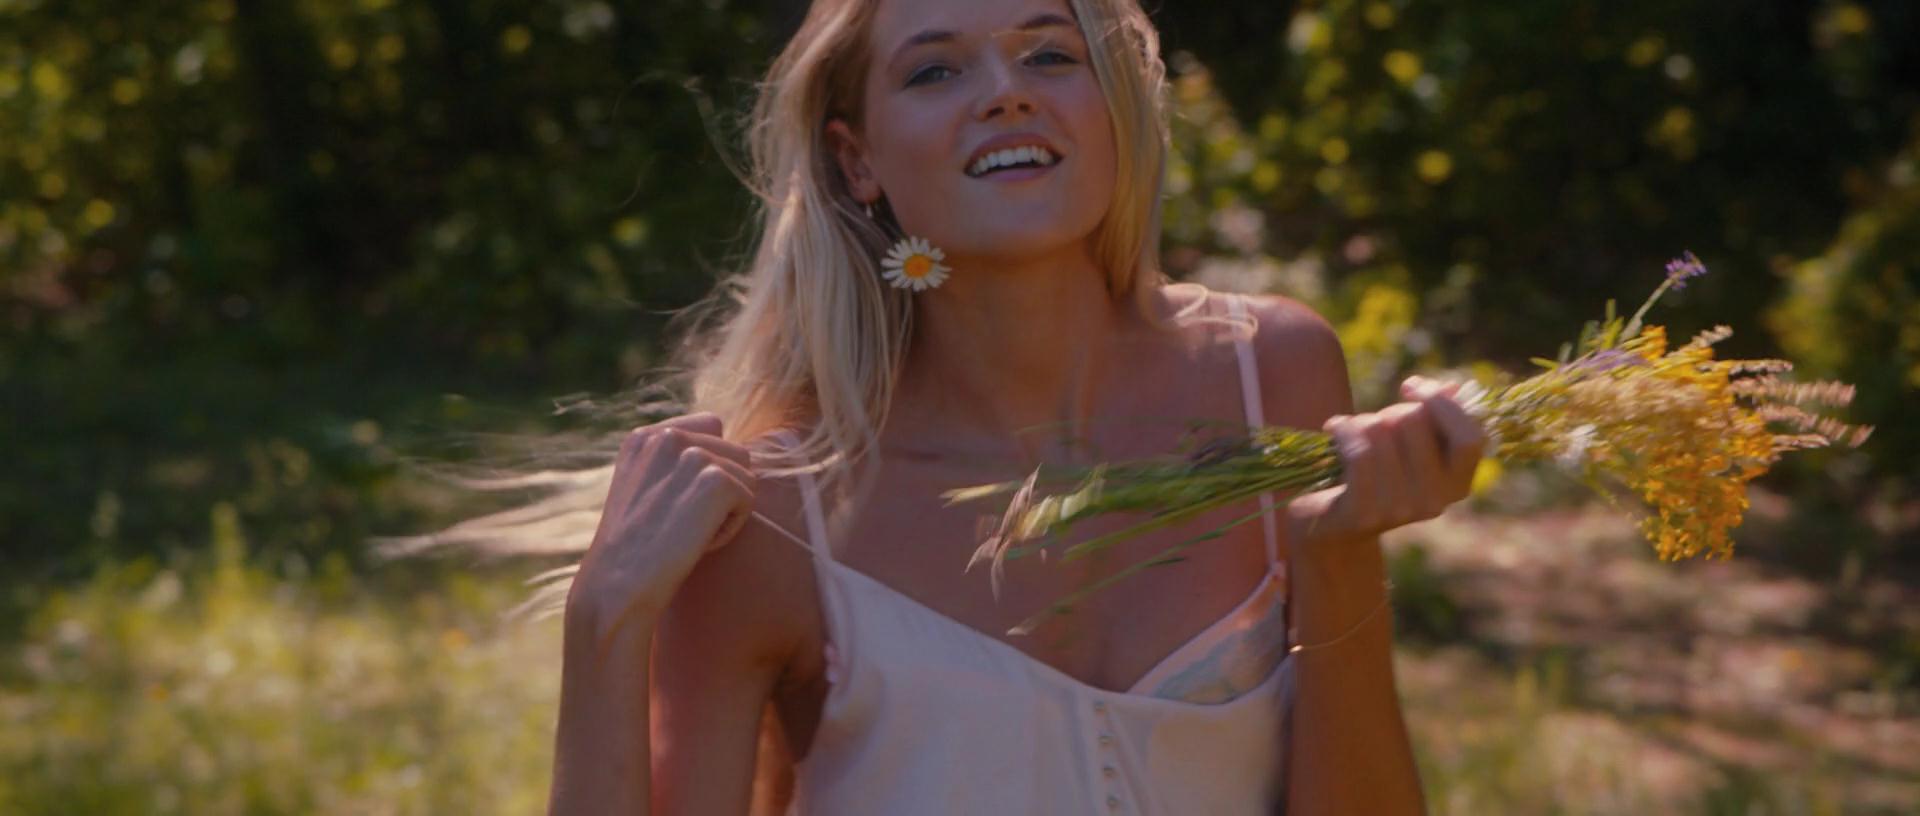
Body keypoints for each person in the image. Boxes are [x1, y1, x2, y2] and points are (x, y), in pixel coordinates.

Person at [542, 0, 1483, 812]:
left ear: (1113, 105)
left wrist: (1337, 555)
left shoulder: (1272, 375)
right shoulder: (775, 521)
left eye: (1049, 54)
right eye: (936, 70)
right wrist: (604, 620)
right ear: (857, 160)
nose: (1006, 93)